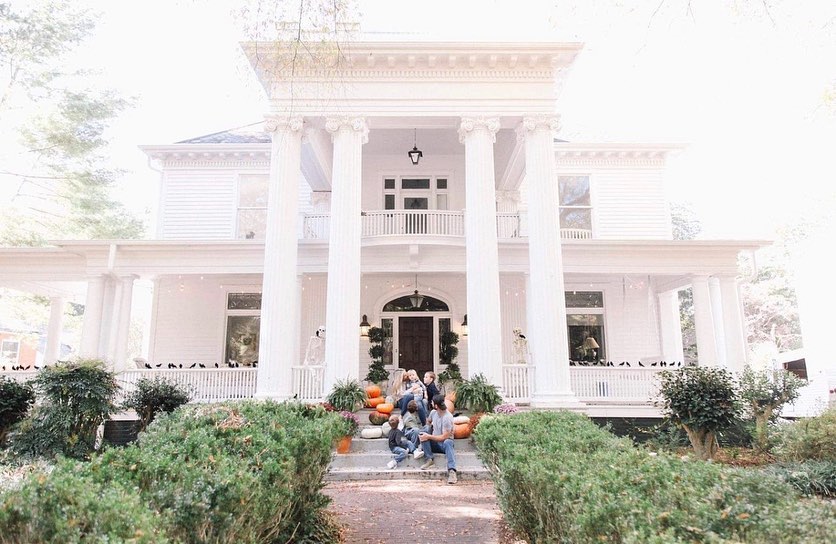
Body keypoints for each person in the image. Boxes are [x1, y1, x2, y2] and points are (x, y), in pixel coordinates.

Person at [419, 393, 457, 484]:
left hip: (444, 444)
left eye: (432, 402)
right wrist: (428, 430)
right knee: (424, 432)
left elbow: (444, 437)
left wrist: (429, 436)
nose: (431, 403)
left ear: (436, 405)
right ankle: (429, 459)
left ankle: (452, 471)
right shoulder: (433, 413)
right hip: (435, 442)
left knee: (448, 442)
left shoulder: (447, 417)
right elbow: (428, 422)